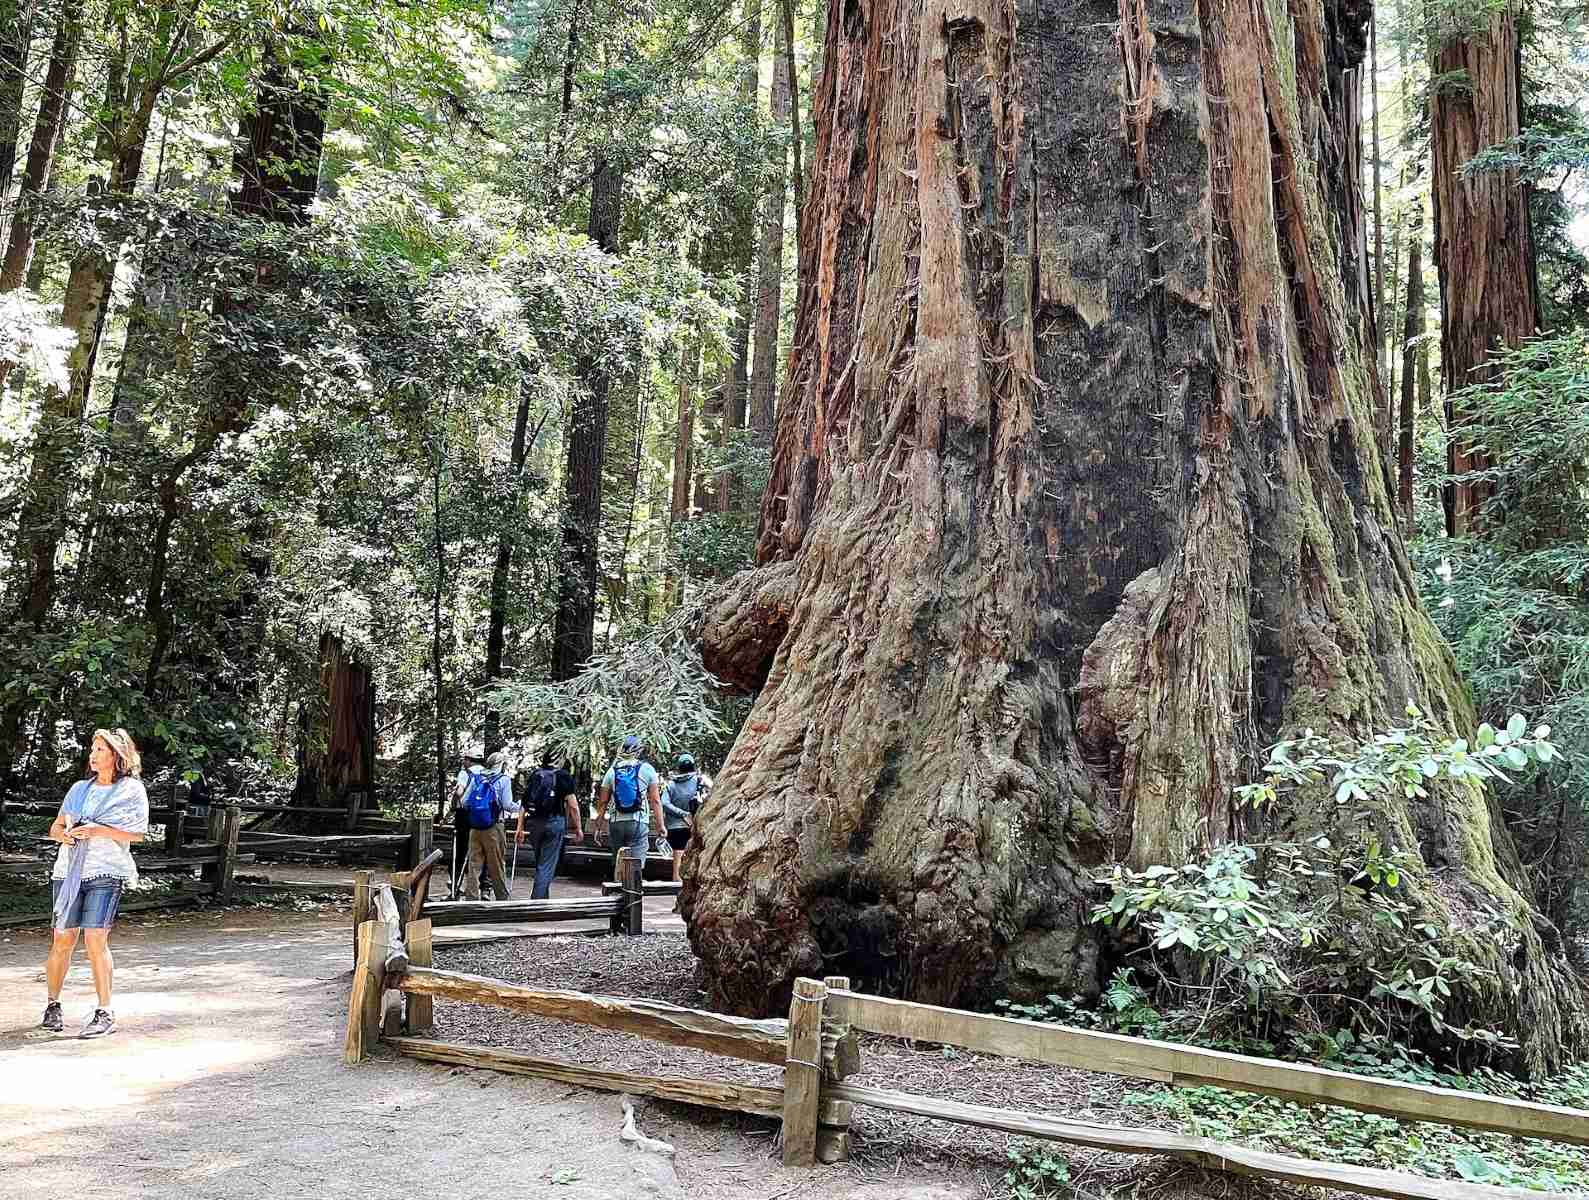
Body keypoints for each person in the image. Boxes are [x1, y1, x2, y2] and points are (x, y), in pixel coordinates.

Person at [41, 728, 149, 1039]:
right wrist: (65, 835)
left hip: (106, 871)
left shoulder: (131, 791)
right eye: (93, 748)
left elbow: (138, 834)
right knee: (62, 939)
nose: (93, 754)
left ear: (117, 756)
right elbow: (56, 827)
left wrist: (97, 831)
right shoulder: (78, 789)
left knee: (95, 940)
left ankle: (104, 1011)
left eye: (100, 749)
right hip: (68, 871)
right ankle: (53, 1005)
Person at [595, 734, 665, 882]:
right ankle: (632, 898)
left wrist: (598, 827)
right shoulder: (647, 769)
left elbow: (602, 802)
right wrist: (660, 826)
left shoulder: (612, 771)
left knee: (619, 861)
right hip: (638, 822)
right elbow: (655, 801)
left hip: (616, 823)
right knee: (635, 863)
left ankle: (619, 892)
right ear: (639, 751)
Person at [517, 751, 582, 900]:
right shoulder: (563, 776)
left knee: (541, 863)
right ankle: (537, 903)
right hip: (554, 823)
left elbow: (524, 804)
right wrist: (578, 828)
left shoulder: (535, 775)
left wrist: (519, 828)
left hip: (534, 824)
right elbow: (573, 805)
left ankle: (542, 900)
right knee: (546, 866)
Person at [456, 751, 512, 900]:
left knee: (474, 864)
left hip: (475, 827)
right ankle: (502, 897)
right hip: (494, 827)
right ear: (502, 765)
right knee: (496, 863)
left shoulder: (477, 777)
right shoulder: (504, 779)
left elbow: (465, 801)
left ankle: (471, 897)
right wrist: (520, 807)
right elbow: (507, 804)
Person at [660, 752, 701, 882]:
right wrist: (687, 814)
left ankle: (677, 886)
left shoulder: (671, 784)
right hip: (694, 825)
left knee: (678, 856)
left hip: (674, 827)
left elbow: (664, 803)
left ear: (679, 767)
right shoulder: (698, 781)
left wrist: (681, 813)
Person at [449, 749, 484, 899]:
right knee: (481, 851)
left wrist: (456, 798)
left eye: (465, 759)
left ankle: (455, 886)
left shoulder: (465, 773)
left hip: (465, 816)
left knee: (461, 850)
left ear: (469, 760)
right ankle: (483, 888)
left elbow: (459, 792)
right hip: (483, 816)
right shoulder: (487, 773)